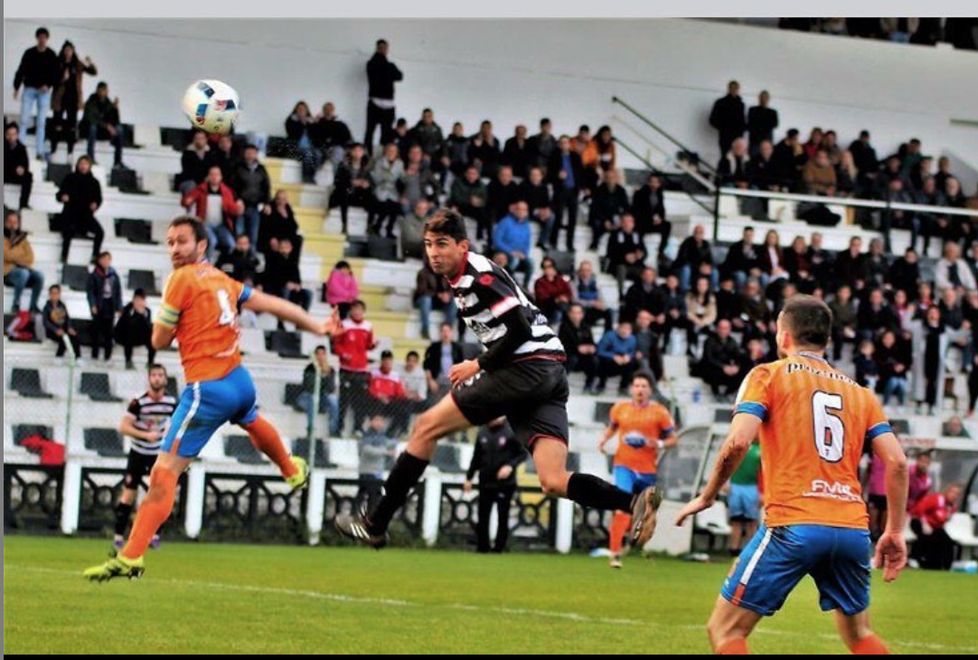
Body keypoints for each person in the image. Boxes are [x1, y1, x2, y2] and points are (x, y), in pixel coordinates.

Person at [335, 209, 661, 549]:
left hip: (527, 367)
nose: (433, 252)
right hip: (547, 374)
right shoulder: (461, 277)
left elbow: (519, 327)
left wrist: (478, 364)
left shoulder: (479, 276)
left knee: (425, 427)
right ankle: (633, 502)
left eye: (442, 244)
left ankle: (376, 521)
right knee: (552, 480)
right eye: (429, 244)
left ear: (463, 246)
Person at [83, 216, 337, 581]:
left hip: (207, 388)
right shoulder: (225, 280)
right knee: (251, 420)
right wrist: (318, 327)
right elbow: (273, 305)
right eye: (169, 242)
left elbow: (157, 341)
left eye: (182, 241)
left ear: (201, 245)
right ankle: (291, 469)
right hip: (239, 380)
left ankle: (131, 556)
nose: (174, 249)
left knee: (163, 472)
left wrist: (169, 322)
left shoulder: (180, 279)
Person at [676, 295, 908, 654]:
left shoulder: (767, 375)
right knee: (860, 634)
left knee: (725, 630)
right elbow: (897, 463)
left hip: (794, 522)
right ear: (826, 341)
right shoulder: (861, 393)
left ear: (783, 337)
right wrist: (893, 530)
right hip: (851, 526)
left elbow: (738, 442)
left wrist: (707, 495)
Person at [598, 372, 677, 568]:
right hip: (623, 464)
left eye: (643, 386)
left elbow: (673, 439)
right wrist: (603, 440)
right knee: (621, 506)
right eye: (637, 385)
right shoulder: (620, 409)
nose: (640, 389)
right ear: (632, 389)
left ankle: (638, 544)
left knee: (645, 512)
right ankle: (614, 553)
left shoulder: (660, 413)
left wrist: (657, 442)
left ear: (650, 390)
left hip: (647, 468)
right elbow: (612, 427)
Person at [112, 364, 177, 553]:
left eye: (160, 375)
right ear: (149, 379)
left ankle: (154, 535)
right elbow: (123, 427)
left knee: (159, 493)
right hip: (138, 452)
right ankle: (118, 536)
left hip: (158, 454)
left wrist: (169, 432)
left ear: (165, 379)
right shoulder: (138, 402)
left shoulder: (172, 402)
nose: (157, 378)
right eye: (154, 375)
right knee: (128, 494)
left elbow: (179, 424)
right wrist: (144, 435)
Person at [464, 417, 527, 553]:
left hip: (505, 483)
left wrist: (509, 466)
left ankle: (499, 548)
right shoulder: (482, 433)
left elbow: (523, 454)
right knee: (483, 515)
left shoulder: (511, 432)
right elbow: (476, 457)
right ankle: (482, 547)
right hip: (485, 481)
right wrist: (469, 478)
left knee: (502, 515)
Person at [13, 27, 59, 161]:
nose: (42, 39)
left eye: (44, 37)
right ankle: (19, 148)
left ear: (47, 39)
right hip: (29, 89)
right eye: (40, 37)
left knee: (41, 122)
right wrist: (16, 87)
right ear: (37, 38)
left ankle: (39, 151)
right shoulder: (29, 53)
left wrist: (48, 85)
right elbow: (21, 70)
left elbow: (55, 74)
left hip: (43, 92)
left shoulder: (51, 54)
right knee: (23, 120)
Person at [331, 299, 377, 434]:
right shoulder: (344, 324)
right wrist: (343, 354)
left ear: (363, 312)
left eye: (360, 310)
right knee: (344, 401)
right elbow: (336, 344)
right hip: (346, 368)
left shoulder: (368, 326)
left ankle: (358, 427)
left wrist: (374, 345)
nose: (357, 312)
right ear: (351, 311)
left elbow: (368, 345)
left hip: (361, 368)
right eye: (354, 309)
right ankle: (339, 428)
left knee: (360, 401)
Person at [181, 165, 244, 261]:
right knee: (212, 241)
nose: (214, 177)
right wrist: (187, 201)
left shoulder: (226, 191)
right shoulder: (201, 189)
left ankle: (223, 263)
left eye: (217, 175)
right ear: (208, 176)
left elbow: (233, 209)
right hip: (205, 224)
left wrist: (238, 208)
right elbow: (186, 201)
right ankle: (206, 264)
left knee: (231, 243)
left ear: (221, 177)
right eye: (212, 174)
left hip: (220, 226)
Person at [49, 41, 97, 158]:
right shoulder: (58, 62)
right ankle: (53, 150)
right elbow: (51, 79)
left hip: (73, 99)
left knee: (72, 126)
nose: (68, 52)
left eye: (70, 50)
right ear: (63, 51)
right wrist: (62, 78)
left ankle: (70, 152)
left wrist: (90, 63)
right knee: (57, 125)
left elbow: (93, 72)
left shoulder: (77, 63)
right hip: (59, 99)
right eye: (66, 50)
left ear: (73, 51)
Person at [57, 154, 103, 263]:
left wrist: (96, 204)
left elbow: (98, 198)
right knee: (68, 231)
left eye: (86, 164)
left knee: (100, 233)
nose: (83, 166)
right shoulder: (69, 178)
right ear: (77, 165)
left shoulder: (94, 182)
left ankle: (95, 256)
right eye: (81, 163)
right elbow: (59, 194)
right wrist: (63, 197)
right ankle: (64, 256)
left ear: (90, 166)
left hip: (85, 215)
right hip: (70, 213)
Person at [910, 483, 962, 571]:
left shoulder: (952, 508)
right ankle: (915, 558)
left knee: (947, 541)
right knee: (928, 536)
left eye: (957, 494)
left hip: (934, 527)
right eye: (952, 492)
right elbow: (919, 509)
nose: (954, 495)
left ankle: (945, 566)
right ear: (947, 492)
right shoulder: (937, 499)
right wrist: (925, 523)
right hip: (919, 521)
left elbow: (941, 520)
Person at [3, 210, 44, 319]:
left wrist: (14, 258)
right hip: (7, 272)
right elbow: (5, 255)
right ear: (5, 223)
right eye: (10, 222)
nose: (12, 225)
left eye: (15, 222)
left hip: (22, 270)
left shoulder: (23, 239)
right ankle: (16, 303)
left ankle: (33, 305)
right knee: (24, 273)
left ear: (18, 224)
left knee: (39, 275)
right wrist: (20, 258)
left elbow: (30, 258)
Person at [364, 39, 403, 152]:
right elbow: (393, 75)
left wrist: (387, 71)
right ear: (377, 48)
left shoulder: (388, 65)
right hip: (375, 102)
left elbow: (400, 76)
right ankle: (367, 156)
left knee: (386, 133)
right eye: (380, 47)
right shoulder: (372, 63)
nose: (383, 50)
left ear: (387, 49)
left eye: (384, 48)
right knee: (370, 131)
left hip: (388, 104)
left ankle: (382, 156)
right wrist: (388, 72)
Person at [230, 144, 271, 250]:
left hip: (255, 206)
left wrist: (266, 203)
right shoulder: (238, 167)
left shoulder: (261, 169)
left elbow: (266, 187)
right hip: (241, 206)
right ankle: (238, 258)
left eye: (252, 153)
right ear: (244, 154)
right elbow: (233, 186)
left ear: (256, 154)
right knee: (239, 234)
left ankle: (251, 260)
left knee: (253, 236)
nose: (250, 155)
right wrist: (237, 200)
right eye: (248, 153)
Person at [548, 135, 584, 252]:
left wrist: (580, 187)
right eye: (562, 143)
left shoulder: (575, 157)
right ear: (559, 144)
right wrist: (557, 176)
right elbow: (549, 175)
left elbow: (580, 173)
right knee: (558, 217)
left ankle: (570, 244)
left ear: (569, 144)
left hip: (573, 191)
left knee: (572, 219)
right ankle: (553, 242)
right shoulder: (554, 157)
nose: (564, 145)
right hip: (560, 190)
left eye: (566, 142)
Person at [357, 414, 398, 516]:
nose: (380, 423)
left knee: (375, 495)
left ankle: (370, 516)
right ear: (371, 422)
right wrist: (385, 452)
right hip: (368, 471)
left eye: (382, 421)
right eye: (377, 420)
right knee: (368, 494)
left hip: (378, 471)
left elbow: (388, 443)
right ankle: (361, 515)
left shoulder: (382, 436)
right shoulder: (367, 435)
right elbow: (366, 450)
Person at [727, 440, 761, 557]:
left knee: (751, 521)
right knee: (736, 520)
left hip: (752, 487)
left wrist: (763, 491)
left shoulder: (761, 449)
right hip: (736, 485)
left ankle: (751, 549)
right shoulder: (737, 444)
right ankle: (733, 549)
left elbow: (764, 472)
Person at [260, 238, 312, 314]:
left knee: (308, 293)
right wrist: (286, 284)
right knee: (285, 291)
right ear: (279, 249)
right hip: (278, 289)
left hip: (292, 290)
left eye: (287, 248)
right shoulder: (274, 260)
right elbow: (273, 277)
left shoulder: (293, 262)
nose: (284, 250)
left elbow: (297, 278)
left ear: (291, 248)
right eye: (282, 248)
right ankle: (281, 320)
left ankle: (301, 319)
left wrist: (297, 285)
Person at [329, 143, 372, 234]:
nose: (357, 153)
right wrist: (351, 183)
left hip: (358, 195)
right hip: (344, 194)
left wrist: (366, 184)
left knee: (371, 197)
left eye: (360, 150)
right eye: (355, 150)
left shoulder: (367, 167)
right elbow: (337, 181)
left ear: (363, 153)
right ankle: (344, 225)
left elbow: (371, 181)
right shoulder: (344, 165)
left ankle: (369, 225)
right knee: (344, 194)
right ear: (351, 152)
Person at [87, 251, 122, 361]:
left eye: (108, 259)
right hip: (99, 304)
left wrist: (119, 307)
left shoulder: (114, 274)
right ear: (99, 260)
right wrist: (93, 305)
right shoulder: (94, 275)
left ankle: (108, 356)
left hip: (110, 304)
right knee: (96, 331)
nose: (106, 261)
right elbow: (90, 292)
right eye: (103, 259)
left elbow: (118, 292)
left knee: (109, 331)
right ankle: (94, 355)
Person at [299, 345, 340, 438]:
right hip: (309, 397)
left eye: (323, 354)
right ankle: (310, 428)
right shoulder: (309, 368)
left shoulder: (330, 370)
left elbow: (331, 388)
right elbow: (308, 387)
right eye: (318, 354)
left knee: (333, 400)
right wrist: (318, 374)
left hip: (322, 397)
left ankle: (333, 430)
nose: (320, 357)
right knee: (312, 399)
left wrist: (325, 374)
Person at [80, 81, 124, 167]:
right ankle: (90, 158)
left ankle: (118, 161)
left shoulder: (108, 103)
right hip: (89, 130)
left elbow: (115, 120)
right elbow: (91, 118)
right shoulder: (91, 101)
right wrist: (106, 126)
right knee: (92, 127)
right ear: (98, 90)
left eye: (106, 90)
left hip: (103, 132)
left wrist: (115, 109)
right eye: (103, 90)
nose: (105, 92)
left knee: (120, 129)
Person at [492, 201, 533, 287]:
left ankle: (525, 287)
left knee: (530, 263)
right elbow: (497, 240)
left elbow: (527, 243)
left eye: (524, 209)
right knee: (514, 260)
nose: (521, 211)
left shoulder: (526, 225)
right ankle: (509, 285)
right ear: (514, 210)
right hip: (505, 253)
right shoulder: (505, 222)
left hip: (520, 254)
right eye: (519, 209)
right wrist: (511, 252)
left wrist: (524, 253)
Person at [559, 304, 598, 393]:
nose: (576, 315)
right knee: (573, 359)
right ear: (569, 314)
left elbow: (591, 342)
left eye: (579, 313)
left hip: (583, 357)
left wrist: (592, 348)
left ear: (582, 314)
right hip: (569, 356)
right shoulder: (564, 327)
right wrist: (577, 349)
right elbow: (563, 345)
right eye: (574, 313)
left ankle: (589, 385)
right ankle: (561, 383)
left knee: (594, 360)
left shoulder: (586, 327)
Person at [414, 261, 457, 339]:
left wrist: (448, 295)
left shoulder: (447, 273)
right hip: (425, 300)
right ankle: (425, 329)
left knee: (454, 302)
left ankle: (447, 329)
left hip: (441, 302)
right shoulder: (423, 273)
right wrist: (439, 295)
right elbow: (422, 291)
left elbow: (453, 288)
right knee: (426, 300)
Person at [114, 289, 156, 369]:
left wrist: (142, 315)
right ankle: (128, 362)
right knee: (129, 333)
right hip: (123, 335)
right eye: (137, 300)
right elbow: (127, 325)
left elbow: (148, 327)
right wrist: (137, 313)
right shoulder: (127, 309)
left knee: (152, 338)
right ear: (133, 300)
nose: (139, 302)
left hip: (139, 335)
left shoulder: (147, 311)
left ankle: (150, 362)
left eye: (141, 300)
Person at [596, 321, 640, 395]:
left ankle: (623, 387)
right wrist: (613, 356)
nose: (625, 331)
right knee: (602, 361)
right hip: (609, 358)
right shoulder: (609, 335)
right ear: (618, 329)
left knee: (633, 363)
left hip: (623, 360)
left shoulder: (632, 339)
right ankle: (601, 385)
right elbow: (600, 351)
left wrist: (628, 356)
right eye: (623, 328)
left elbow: (633, 352)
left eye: (628, 329)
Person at [423, 322, 464, 401]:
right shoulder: (433, 347)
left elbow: (462, 365)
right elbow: (426, 365)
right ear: (440, 333)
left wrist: (458, 382)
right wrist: (430, 380)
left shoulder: (458, 348)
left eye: (447, 331)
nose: (445, 334)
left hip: (452, 383)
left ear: (451, 333)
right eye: (443, 331)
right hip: (437, 382)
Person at [41, 284, 81, 358]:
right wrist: (55, 330)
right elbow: (45, 322)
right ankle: (59, 356)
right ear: (49, 294)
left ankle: (78, 357)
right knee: (64, 338)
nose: (54, 295)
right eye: (52, 293)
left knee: (75, 337)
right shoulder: (47, 307)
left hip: (63, 329)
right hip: (52, 331)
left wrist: (69, 327)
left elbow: (67, 318)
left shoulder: (62, 305)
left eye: (56, 293)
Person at [285, 101, 321, 183]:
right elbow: (291, 133)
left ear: (307, 110)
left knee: (318, 154)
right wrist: (301, 123)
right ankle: (307, 177)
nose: (301, 111)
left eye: (303, 109)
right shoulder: (291, 120)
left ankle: (312, 176)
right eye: (299, 109)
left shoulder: (310, 121)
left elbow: (317, 134)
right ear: (296, 110)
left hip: (311, 147)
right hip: (295, 147)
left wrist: (314, 123)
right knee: (307, 153)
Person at [709, 80, 746, 157]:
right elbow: (712, 119)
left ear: (738, 89)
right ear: (728, 88)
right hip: (725, 137)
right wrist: (724, 128)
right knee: (725, 159)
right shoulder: (720, 102)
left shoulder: (741, 104)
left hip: (738, 138)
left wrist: (742, 131)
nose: (734, 90)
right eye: (732, 88)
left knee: (738, 160)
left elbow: (743, 121)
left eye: (735, 88)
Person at [533, 257, 573, 325]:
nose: (548, 269)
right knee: (559, 310)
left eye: (550, 266)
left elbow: (568, 292)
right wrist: (556, 299)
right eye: (545, 267)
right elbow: (542, 298)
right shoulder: (539, 282)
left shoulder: (560, 280)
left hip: (561, 305)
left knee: (567, 308)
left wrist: (565, 297)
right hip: (547, 307)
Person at [313, 101, 353, 167]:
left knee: (338, 152)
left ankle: (332, 175)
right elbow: (314, 137)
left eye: (330, 109)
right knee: (317, 154)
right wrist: (315, 122)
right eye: (326, 109)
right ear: (323, 111)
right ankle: (318, 175)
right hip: (321, 147)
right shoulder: (318, 124)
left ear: (333, 111)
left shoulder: (340, 124)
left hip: (336, 146)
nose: (328, 111)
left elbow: (347, 138)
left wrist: (335, 143)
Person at [4, 122, 33, 209]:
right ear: (5, 135)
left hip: (16, 175)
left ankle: (23, 204)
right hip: (5, 173)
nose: (11, 137)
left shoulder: (22, 148)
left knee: (28, 176)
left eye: (13, 134)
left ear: (17, 135)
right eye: (9, 134)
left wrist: (22, 169)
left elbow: (26, 164)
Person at [176, 129, 214, 195]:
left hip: (205, 182)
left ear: (206, 140)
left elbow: (213, 169)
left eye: (202, 138)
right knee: (191, 185)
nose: (199, 140)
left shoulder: (211, 154)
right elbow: (188, 173)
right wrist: (204, 180)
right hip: (189, 181)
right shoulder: (187, 153)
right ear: (193, 140)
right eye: (197, 138)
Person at [746, 91, 778, 155]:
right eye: (762, 97)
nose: (763, 99)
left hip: (767, 141)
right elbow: (750, 124)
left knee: (767, 160)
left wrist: (759, 123)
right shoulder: (752, 110)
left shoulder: (772, 112)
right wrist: (765, 123)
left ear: (768, 99)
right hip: (755, 141)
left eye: (765, 97)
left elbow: (775, 124)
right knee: (753, 160)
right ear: (759, 98)